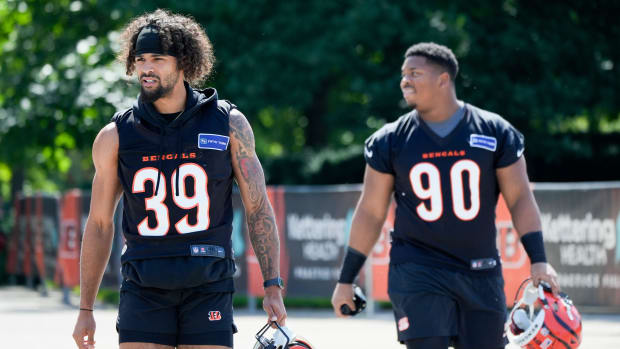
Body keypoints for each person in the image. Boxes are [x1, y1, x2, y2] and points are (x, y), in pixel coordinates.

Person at [72, 9, 286, 349]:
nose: (146, 68)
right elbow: (99, 224)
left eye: (158, 58)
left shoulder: (228, 124)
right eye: (140, 59)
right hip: (144, 285)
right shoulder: (116, 135)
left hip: (209, 284)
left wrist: (272, 285)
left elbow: (257, 208)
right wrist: (86, 307)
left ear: (184, 62)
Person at [331, 42, 559, 349]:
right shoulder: (390, 140)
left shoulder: (494, 131)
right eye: (403, 74)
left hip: (480, 270)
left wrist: (539, 260)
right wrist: (347, 278)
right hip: (418, 269)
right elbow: (371, 211)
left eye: (414, 73)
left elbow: (519, 199)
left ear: (443, 79)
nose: (404, 81)